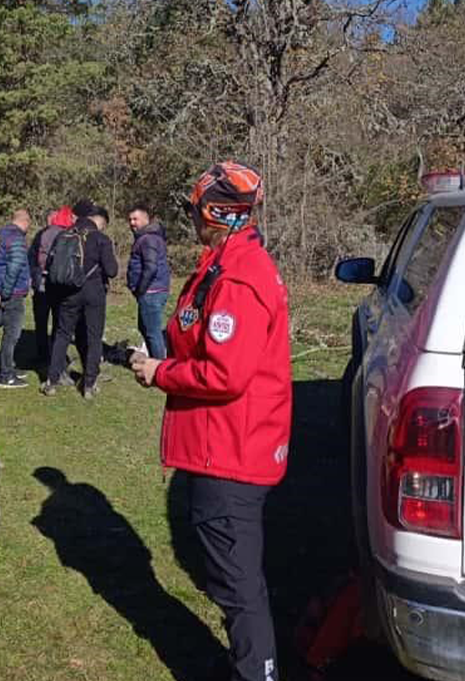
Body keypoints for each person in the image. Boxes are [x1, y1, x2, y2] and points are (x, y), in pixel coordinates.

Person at [130, 162, 291, 681]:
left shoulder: (241, 275)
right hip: (225, 446)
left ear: (217, 215)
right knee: (234, 581)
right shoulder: (227, 263)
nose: (191, 219)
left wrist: (160, 372)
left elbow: (226, 372)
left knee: (238, 587)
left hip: (231, 452)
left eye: (196, 211)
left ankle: (255, 671)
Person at [42, 201, 117, 399]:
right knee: (94, 337)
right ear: (97, 221)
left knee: (62, 334)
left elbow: (51, 264)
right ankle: (89, 385)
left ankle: (51, 381)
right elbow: (112, 270)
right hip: (93, 293)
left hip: (68, 292)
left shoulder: (63, 235)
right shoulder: (101, 238)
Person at [0, 209, 32, 388]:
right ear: (26, 221)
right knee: (12, 335)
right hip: (12, 293)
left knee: (9, 333)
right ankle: (6, 376)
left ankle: (9, 367)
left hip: (1, 290)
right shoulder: (17, 240)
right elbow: (14, 269)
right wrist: (5, 292)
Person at [29, 206, 73, 368]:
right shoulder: (63, 234)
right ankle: (50, 356)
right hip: (49, 286)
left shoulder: (45, 234)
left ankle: (48, 355)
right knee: (50, 323)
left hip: (45, 285)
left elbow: (32, 258)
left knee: (47, 323)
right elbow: (32, 258)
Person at [126, 203, 172, 359]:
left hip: (151, 291)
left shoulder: (148, 239)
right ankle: (155, 360)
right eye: (130, 219)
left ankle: (159, 366)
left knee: (152, 331)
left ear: (145, 219)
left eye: (135, 219)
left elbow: (150, 267)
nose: (132, 223)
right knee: (145, 327)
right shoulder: (147, 238)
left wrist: (140, 289)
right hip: (151, 290)